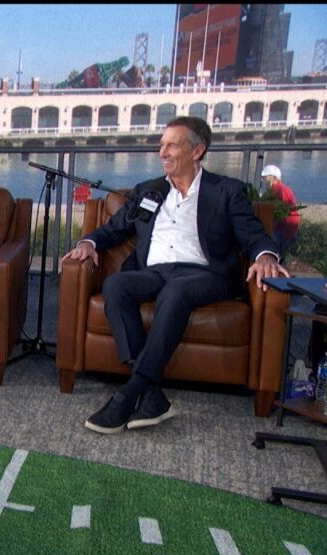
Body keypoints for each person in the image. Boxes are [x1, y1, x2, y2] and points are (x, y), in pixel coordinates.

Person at [62, 116, 289, 434]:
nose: (162, 152)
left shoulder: (226, 191)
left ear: (197, 151)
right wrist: (88, 243)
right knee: (116, 285)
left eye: (171, 145)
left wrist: (265, 256)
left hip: (203, 274)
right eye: (161, 145)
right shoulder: (149, 191)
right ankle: (151, 394)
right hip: (155, 271)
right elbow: (114, 229)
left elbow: (253, 235)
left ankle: (129, 392)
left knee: (176, 291)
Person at [260, 164, 300, 262]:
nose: (263, 180)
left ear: (272, 177)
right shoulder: (274, 190)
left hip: (284, 229)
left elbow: (286, 211)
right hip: (279, 228)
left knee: (279, 257)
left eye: (265, 177)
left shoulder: (281, 190)